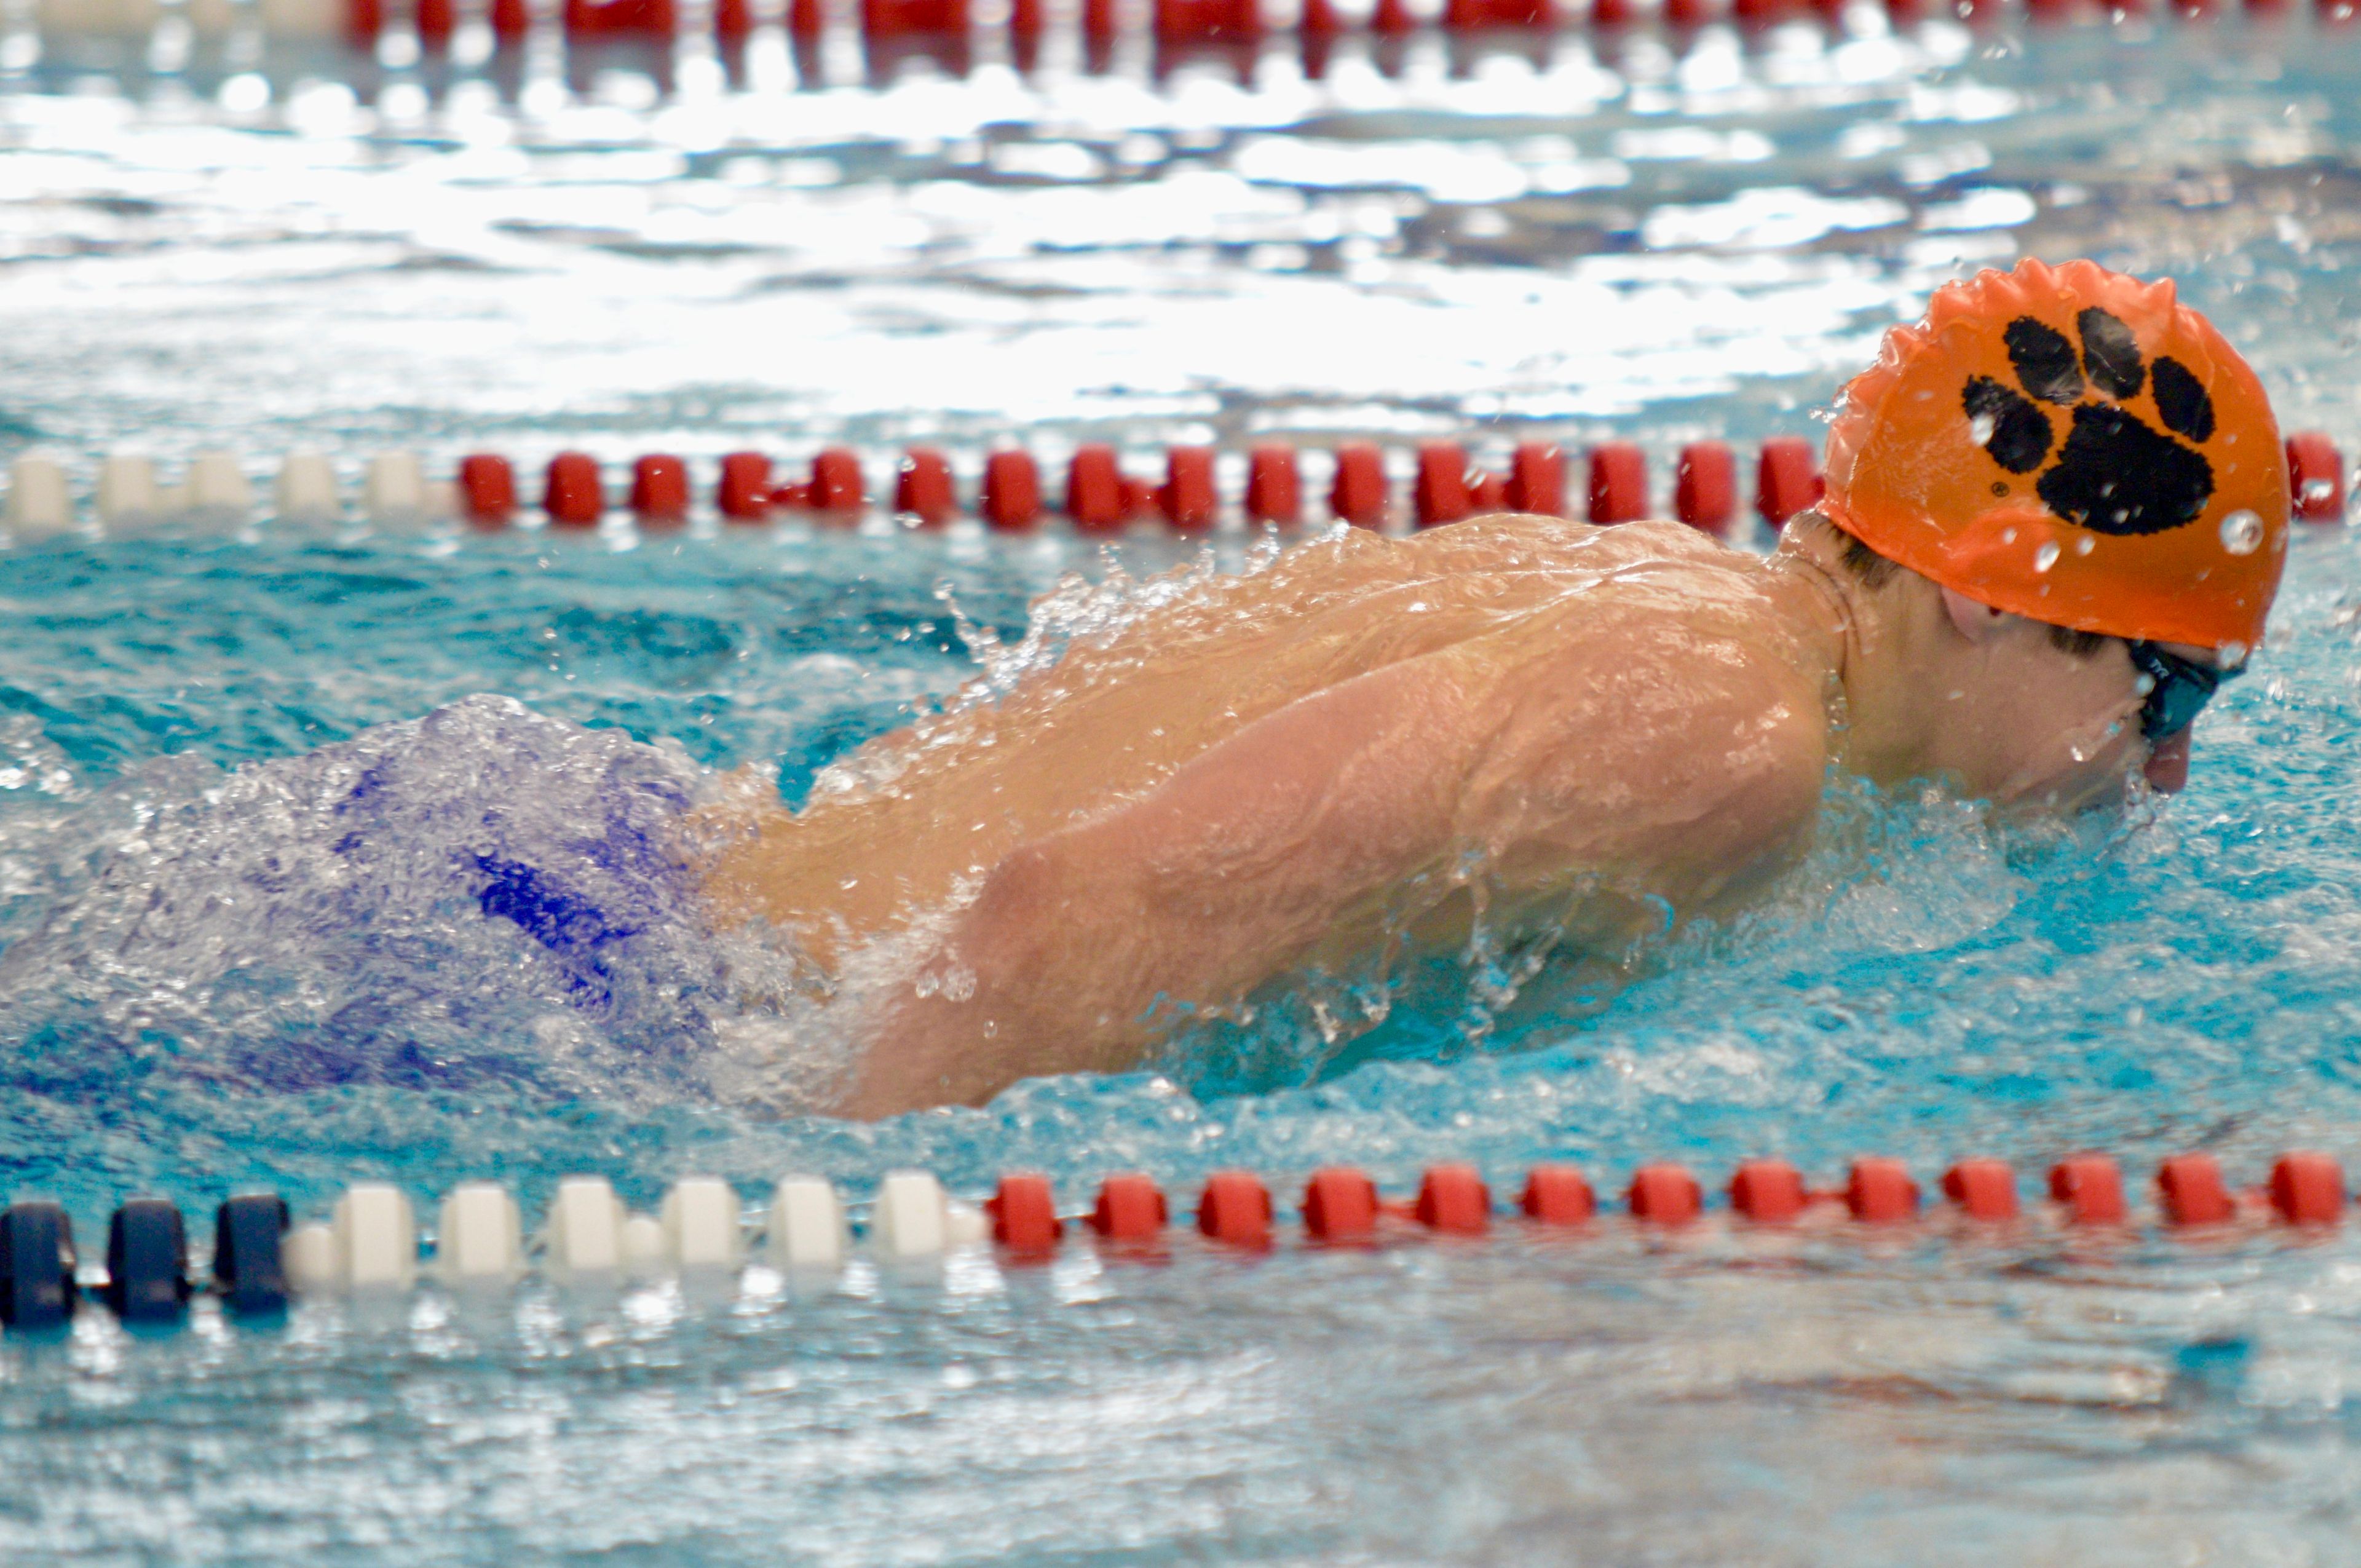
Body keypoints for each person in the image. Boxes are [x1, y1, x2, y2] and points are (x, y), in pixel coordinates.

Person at [698, 258, 2292, 1119]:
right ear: (1983, 601)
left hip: (666, 892)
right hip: (654, 997)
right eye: (2170, 692)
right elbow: (1054, 921)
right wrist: (805, 1225)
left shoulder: (1686, 601)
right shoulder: (1715, 738)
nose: (2164, 771)